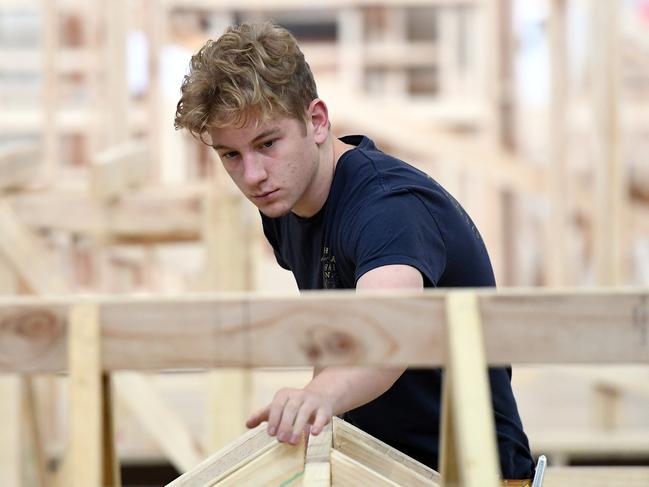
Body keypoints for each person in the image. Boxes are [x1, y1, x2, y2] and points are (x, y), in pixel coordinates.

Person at [174, 21, 535, 480]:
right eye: (231, 155)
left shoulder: (387, 207)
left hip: (471, 475)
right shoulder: (286, 206)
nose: (253, 175)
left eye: (268, 144)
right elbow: (335, 327)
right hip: (377, 467)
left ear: (318, 121)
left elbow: (386, 337)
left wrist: (319, 394)